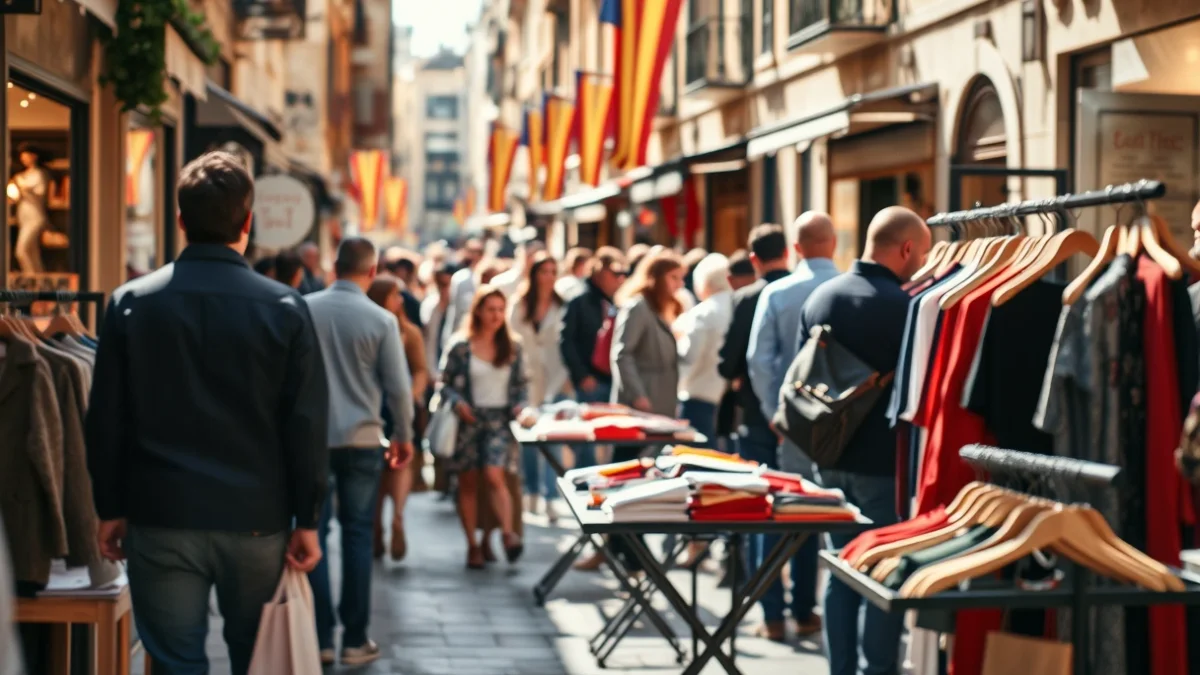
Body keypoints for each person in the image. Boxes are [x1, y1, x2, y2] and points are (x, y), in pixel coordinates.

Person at [85, 151, 329, 675]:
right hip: (257, 519)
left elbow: (106, 417)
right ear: (247, 223)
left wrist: (109, 505)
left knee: (175, 663)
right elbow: (305, 425)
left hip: (162, 511)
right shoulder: (285, 308)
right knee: (257, 658)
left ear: (180, 221)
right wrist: (307, 519)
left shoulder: (131, 303)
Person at [798, 206, 931, 675]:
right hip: (881, 459)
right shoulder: (907, 306)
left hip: (827, 454)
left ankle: (840, 670)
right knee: (880, 568)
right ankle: (878, 669)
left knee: (839, 567)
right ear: (908, 248)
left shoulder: (821, 297)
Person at [305, 237, 415, 667]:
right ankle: (354, 638)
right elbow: (399, 390)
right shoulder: (381, 320)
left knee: (314, 534)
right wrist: (404, 435)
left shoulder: (305, 309)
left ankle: (320, 638)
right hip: (363, 440)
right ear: (372, 273)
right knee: (356, 535)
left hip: (313, 441)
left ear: (334, 267)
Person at [744, 211, 840, 640]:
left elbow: (758, 359)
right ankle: (806, 610)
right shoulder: (848, 288)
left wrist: (774, 413)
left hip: (791, 423)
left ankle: (773, 615)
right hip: (841, 425)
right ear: (833, 245)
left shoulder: (779, 292)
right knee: (820, 515)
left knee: (781, 514)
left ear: (796, 249)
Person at [717, 224, 792, 629]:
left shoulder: (747, 297)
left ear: (754, 259)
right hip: (801, 421)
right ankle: (801, 608)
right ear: (788, 251)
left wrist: (738, 379)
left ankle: (772, 611)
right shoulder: (805, 289)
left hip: (758, 418)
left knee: (762, 509)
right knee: (803, 510)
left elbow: (730, 362)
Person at [438, 286, 532, 569]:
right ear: (478, 311)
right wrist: (456, 403)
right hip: (468, 421)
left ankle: (504, 534)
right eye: (490, 309)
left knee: (494, 476)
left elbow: (522, 386)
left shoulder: (512, 347)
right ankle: (473, 545)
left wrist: (520, 406)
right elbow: (443, 383)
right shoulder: (461, 346)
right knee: (467, 483)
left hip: (499, 422)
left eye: (501, 310)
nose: (496, 315)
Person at [609, 250, 685, 571]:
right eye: (674, 278)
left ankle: (627, 546)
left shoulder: (660, 308)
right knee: (629, 476)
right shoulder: (638, 307)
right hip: (641, 409)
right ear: (656, 277)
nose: (679, 285)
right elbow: (622, 354)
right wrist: (638, 396)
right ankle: (627, 546)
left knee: (641, 475)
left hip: (657, 407)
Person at [367, 275, 429, 561]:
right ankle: (389, 521)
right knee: (393, 465)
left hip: (385, 406)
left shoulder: (407, 332)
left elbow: (420, 371)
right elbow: (420, 370)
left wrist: (412, 396)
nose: (401, 300)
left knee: (390, 466)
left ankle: (390, 521)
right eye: (395, 295)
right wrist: (411, 396)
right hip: (385, 406)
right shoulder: (395, 329)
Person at [508, 251, 570, 519]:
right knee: (529, 439)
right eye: (543, 271)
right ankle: (530, 490)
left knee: (552, 438)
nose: (549, 277)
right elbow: (510, 340)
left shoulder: (562, 304)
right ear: (533, 274)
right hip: (526, 377)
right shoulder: (519, 303)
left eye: (553, 272)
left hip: (555, 378)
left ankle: (550, 495)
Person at [674, 252, 733, 446]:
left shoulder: (702, 313)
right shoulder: (737, 305)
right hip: (727, 396)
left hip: (697, 395)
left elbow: (688, 357)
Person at [422, 261, 457, 496]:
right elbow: (429, 343)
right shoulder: (431, 306)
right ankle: (442, 481)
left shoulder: (461, 307)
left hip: (454, 376)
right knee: (439, 427)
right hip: (434, 375)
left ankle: (453, 480)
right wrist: (431, 374)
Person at [443, 240, 485, 350]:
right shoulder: (460, 278)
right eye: (472, 252)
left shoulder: (489, 275)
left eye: (478, 252)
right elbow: (455, 310)